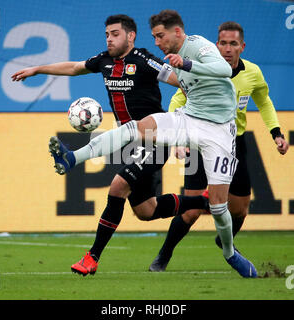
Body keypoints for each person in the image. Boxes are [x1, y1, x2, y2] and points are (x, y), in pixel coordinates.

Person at [40, 10, 259, 278]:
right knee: (136, 132)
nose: (156, 41)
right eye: (154, 36)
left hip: (219, 132)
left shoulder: (198, 47)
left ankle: (229, 253)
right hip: (190, 118)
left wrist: (187, 65)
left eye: (160, 36)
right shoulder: (146, 60)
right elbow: (181, 85)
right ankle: (72, 158)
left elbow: (225, 70)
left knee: (218, 206)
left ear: (176, 32)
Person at [12, 14, 211, 276]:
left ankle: (92, 257)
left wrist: (187, 121)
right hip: (129, 142)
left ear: (130, 36)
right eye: (107, 34)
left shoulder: (144, 60)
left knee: (118, 186)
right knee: (146, 210)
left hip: (155, 139)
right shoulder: (103, 61)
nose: (109, 38)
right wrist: (38, 69)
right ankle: (207, 202)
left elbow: (180, 81)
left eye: (115, 34)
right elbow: (74, 67)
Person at [149, 21, 289, 272]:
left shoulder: (253, 73)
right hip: (200, 140)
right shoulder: (201, 68)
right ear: (216, 45)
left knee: (240, 208)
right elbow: (178, 97)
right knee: (190, 211)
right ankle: (162, 257)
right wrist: (179, 140)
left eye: (233, 44)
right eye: (222, 43)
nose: (227, 48)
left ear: (242, 47)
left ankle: (225, 241)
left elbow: (264, 102)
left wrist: (276, 132)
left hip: (234, 142)